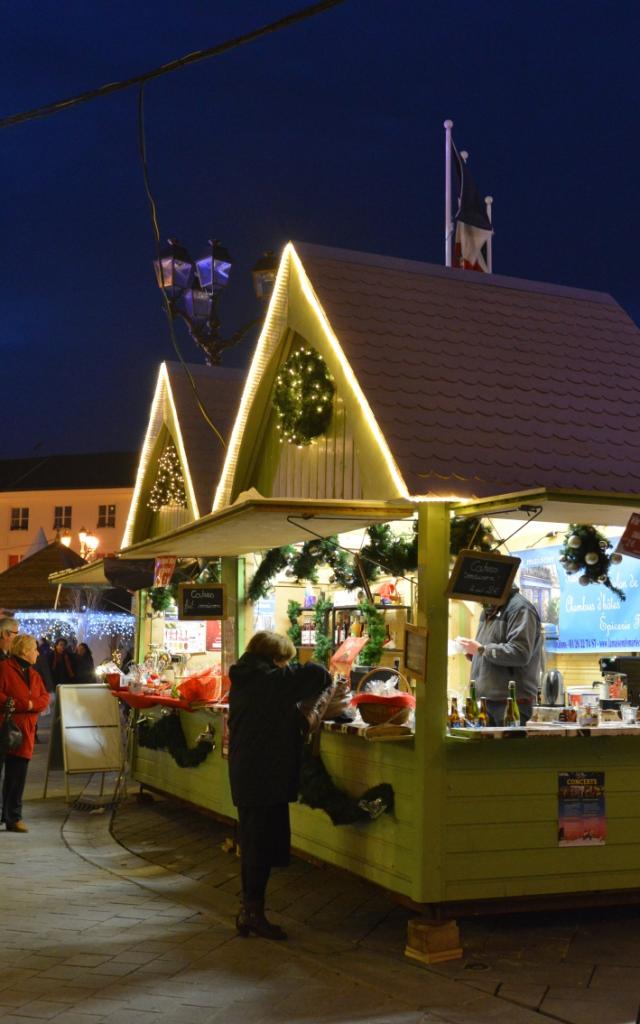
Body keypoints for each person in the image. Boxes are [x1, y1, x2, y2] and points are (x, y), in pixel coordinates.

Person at [228, 631, 333, 941]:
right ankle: (252, 913)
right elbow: (318, 673)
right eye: (284, 660)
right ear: (274, 660)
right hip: (261, 775)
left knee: (256, 844)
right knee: (257, 846)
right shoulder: (266, 681)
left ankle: (251, 911)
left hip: (254, 773)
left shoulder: (250, 678)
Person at [457, 586, 542, 726]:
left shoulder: (520, 609)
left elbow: (520, 653)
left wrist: (482, 650)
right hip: (487, 704)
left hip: (512, 706)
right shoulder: (488, 611)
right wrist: (475, 654)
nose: (479, 599)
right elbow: (490, 653)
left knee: (508, 748)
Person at [0, 633, 50, 832]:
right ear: (25, 651)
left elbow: (44, 698)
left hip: (26, 731)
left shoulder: (34, 674)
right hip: (5, 727)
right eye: (35, 649)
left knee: (17, 776)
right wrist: (22, 704)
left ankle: (13, 817)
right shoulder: (4, 668)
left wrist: (30, 704)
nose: (38, 653)